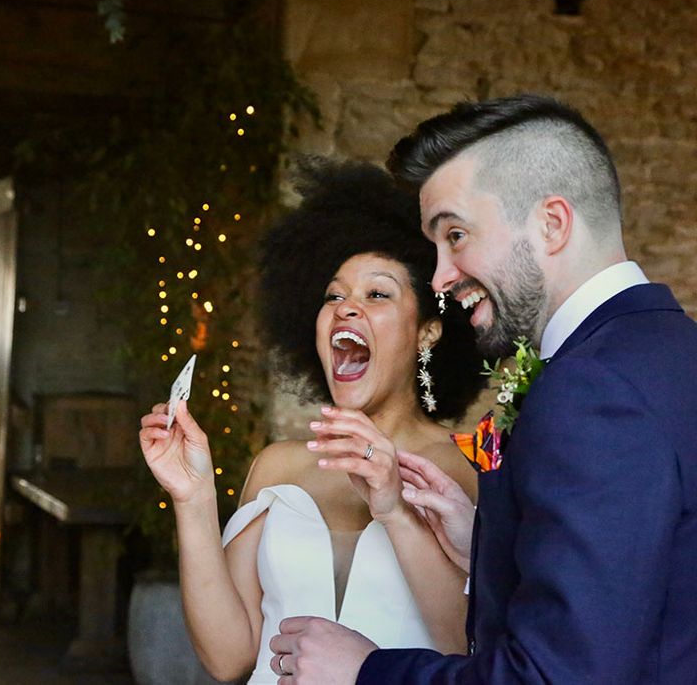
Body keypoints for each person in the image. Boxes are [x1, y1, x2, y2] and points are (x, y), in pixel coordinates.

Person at [268, 95, 697, 684]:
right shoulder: (672, 351)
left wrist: (366, 671)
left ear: (551, 223)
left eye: (457, 235)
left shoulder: (591, 390)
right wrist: (493, 548)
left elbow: (554, 677)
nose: (442, 276)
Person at [138, 159, 487, 684]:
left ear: (429, 333)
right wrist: (192, 499)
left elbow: (469, 650)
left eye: (377, 294)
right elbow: (228, 656)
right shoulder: (278, 467)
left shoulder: (463, 470)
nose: (346, 308)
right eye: (334, 295)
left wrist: (394, 510)